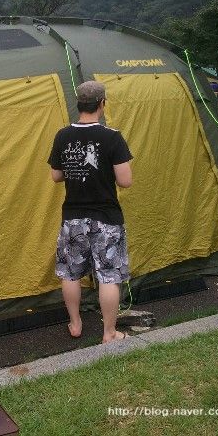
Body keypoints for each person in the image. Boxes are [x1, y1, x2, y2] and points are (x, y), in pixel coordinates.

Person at [48, 80, 133, 343]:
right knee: (108, 276)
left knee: (70, 273)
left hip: (72, 217)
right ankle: (109, 332)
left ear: (79, 105)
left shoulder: (63, 135)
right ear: (102, 104)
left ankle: (75, 324)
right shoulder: (112, 137)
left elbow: (56, 176)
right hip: (106, 218)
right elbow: (125, 181)